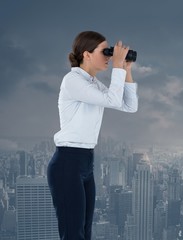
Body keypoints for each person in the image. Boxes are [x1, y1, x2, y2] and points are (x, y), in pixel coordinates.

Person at [47, 31, 138, 239]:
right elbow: (114, 100)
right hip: (67, 163)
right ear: (87, 55)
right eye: (104, 52)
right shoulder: (72, 80)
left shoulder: (93, 84)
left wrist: (126, 70)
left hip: (86, 162)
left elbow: (129, 106)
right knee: (73, 234)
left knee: (85, 232)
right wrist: (116, 66)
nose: (108, 56)